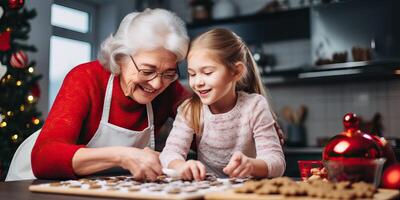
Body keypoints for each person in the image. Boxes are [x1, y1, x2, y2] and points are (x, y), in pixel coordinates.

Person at [6, 8, 191, 181]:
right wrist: (122, 155)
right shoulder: (85, 78)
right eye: (147, 70)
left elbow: (203, 124)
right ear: (120, 58)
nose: (157, 84)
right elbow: (44, 159)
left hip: (96, 185)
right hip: (34, 182)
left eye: (168, 73)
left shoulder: (169, 88)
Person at [159, 28, 285, 181]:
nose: (198, 82)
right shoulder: (190, 111)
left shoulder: (255, 106)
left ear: (236, 72)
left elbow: (277, 162)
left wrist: (252, 166)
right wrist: (180, 166)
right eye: (192, 74)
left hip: (249, 192)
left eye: (207, 72)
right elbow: (170, 152)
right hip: (207, 192)